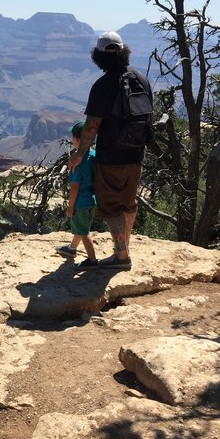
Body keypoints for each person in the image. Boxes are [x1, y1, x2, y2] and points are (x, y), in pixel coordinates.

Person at [68, 31, 152, 271]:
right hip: (135, 155)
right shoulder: (140, 79)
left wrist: (80, 154)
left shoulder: (103, 85)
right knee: (128, 203)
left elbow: (91, 126)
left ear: (99, 57)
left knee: (111, 205)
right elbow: (149, 117)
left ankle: (121, 256)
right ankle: (125, 248)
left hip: (111, 158)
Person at [56, 121, 99, 270]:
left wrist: (70, 206)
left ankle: (92, 260)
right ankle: (71, 248)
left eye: (72, 137)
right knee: (82, 227)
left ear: (78, 140)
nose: (71, 140)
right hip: (92, 199)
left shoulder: (76, 161)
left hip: (80, 201)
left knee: (84, 231)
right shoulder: (94, 155)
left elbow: (74, 187)